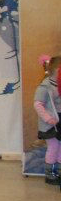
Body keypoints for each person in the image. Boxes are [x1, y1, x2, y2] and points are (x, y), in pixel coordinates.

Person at [34, 55, 61, 186]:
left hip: (59, 121)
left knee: (60, 147)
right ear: (56, 70)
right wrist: (48, 118)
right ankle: (50, 174)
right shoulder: (45, 87)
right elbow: (38, 104)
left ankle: (59, 172)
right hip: (50, 125)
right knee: (53, 147)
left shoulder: (58, 85)